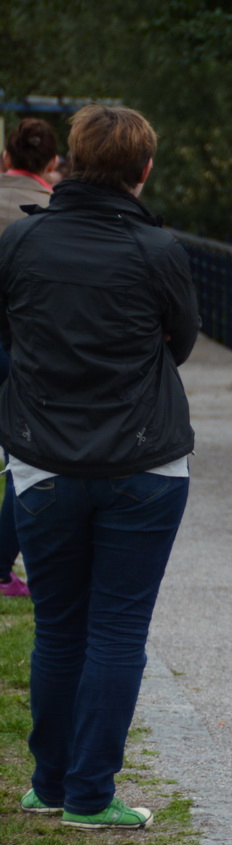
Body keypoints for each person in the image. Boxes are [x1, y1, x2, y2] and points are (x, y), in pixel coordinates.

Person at [0, 104, 200, 829]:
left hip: (43, 460)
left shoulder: (20, 243)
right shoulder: (159, 250)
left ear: (72, 163)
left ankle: (49, 784)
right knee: (117, 628)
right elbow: (179, 343)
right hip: (145, 463)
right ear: (144, 169)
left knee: (58, 627)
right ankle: (91, 794)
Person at [0, 119, 59, 596]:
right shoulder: (52, 212)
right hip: (21, 348)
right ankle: (2, 567)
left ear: (5, 159)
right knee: (23, 453)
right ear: (53, 163)